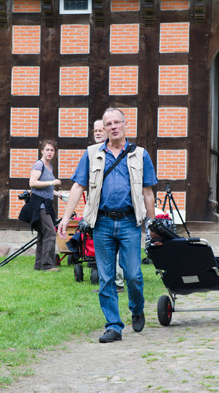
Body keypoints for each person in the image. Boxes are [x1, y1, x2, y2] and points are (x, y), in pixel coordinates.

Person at [58, 108, 157, 343]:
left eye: (116, 122)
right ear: (103, 128)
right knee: (106, 278)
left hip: (129, 222)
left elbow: (147, 192)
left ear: (125, 124)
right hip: (101, 223)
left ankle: (136, 308)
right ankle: (113, 325)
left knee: (133, 275)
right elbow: (78, 186)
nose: (112, 127)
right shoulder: (92, 154)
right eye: (108, 124)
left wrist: (151, 226)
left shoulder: (140, 154)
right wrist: (65, 218)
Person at [19, 139, 62, 272]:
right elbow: (32, 183)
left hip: (47, 203)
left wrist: (57, 194)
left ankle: (39, 265)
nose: (49, 152)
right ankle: (48, 265)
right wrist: (52, 182)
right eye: (47, 150)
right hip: (39, 205)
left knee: (43, 234)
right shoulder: (39, 164)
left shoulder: (49, 166)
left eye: (52, 150)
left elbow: (44, 187)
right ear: (42, 151)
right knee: (50, 232)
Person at [93, 119, 124, 294]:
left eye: (100, 130)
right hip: (99, 212)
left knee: (117, 251)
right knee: (105, 251)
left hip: (120, 213)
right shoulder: (92, 153)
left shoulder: (118, 152)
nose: (98, 133)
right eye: (95, 130)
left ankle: (118, 282)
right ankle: (108, 284)